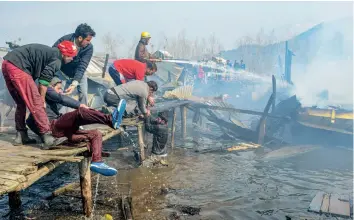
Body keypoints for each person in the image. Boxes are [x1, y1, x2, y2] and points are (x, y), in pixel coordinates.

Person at [26, 77, 126, 176]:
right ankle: (110, 120)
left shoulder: (50, 102)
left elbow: (29, 122)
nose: (61, 91)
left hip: (66, 135)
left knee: (96, 134)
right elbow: (30, 121)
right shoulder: (45, 91)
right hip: (54, 128)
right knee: (80, 112)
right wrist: (44, 135)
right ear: (52, 87)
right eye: (59, 88)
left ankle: (97, 162)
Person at [2, 41, 78, 146]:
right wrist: (42, 100)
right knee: (37, 102)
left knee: (20, 102)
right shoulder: (57, 60)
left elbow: (41, 75)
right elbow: (43, 82)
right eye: (71, 56)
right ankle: (48, 137)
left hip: (7, 63)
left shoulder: (50, 53)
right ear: (64, 54)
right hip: (18, 66)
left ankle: (21, 135)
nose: (72, 59)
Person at [53, 23, 96, 105]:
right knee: (59, 93)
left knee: (83, 93)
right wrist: (56, 80)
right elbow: (53, 59)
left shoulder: (89, 48)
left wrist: (75, 83)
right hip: (62, 71)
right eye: (87, 40)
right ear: (80, 38)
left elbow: (83, 65)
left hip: (78, 71)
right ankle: (57, 114)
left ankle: (83, 113)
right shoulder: (64, 41)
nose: (89, 43)